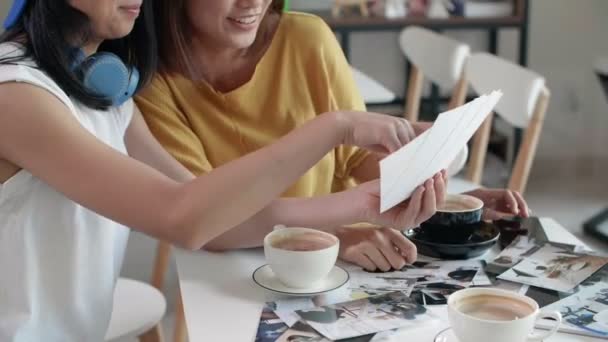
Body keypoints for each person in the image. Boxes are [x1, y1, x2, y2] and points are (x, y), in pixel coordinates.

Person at [0, 0, 445, 340]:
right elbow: (182, 216)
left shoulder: (105, 90)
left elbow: (216, 223)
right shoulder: (16, 96)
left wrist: (361, 205)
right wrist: (335, 127)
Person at [136, 0, 530, 271]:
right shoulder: (152, 84)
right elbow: (210, 220)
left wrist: (451, 208)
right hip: (234, 269)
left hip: (332, 264)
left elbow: (357, 161)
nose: (253, 2)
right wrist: (334, 232)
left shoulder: (308, 38)